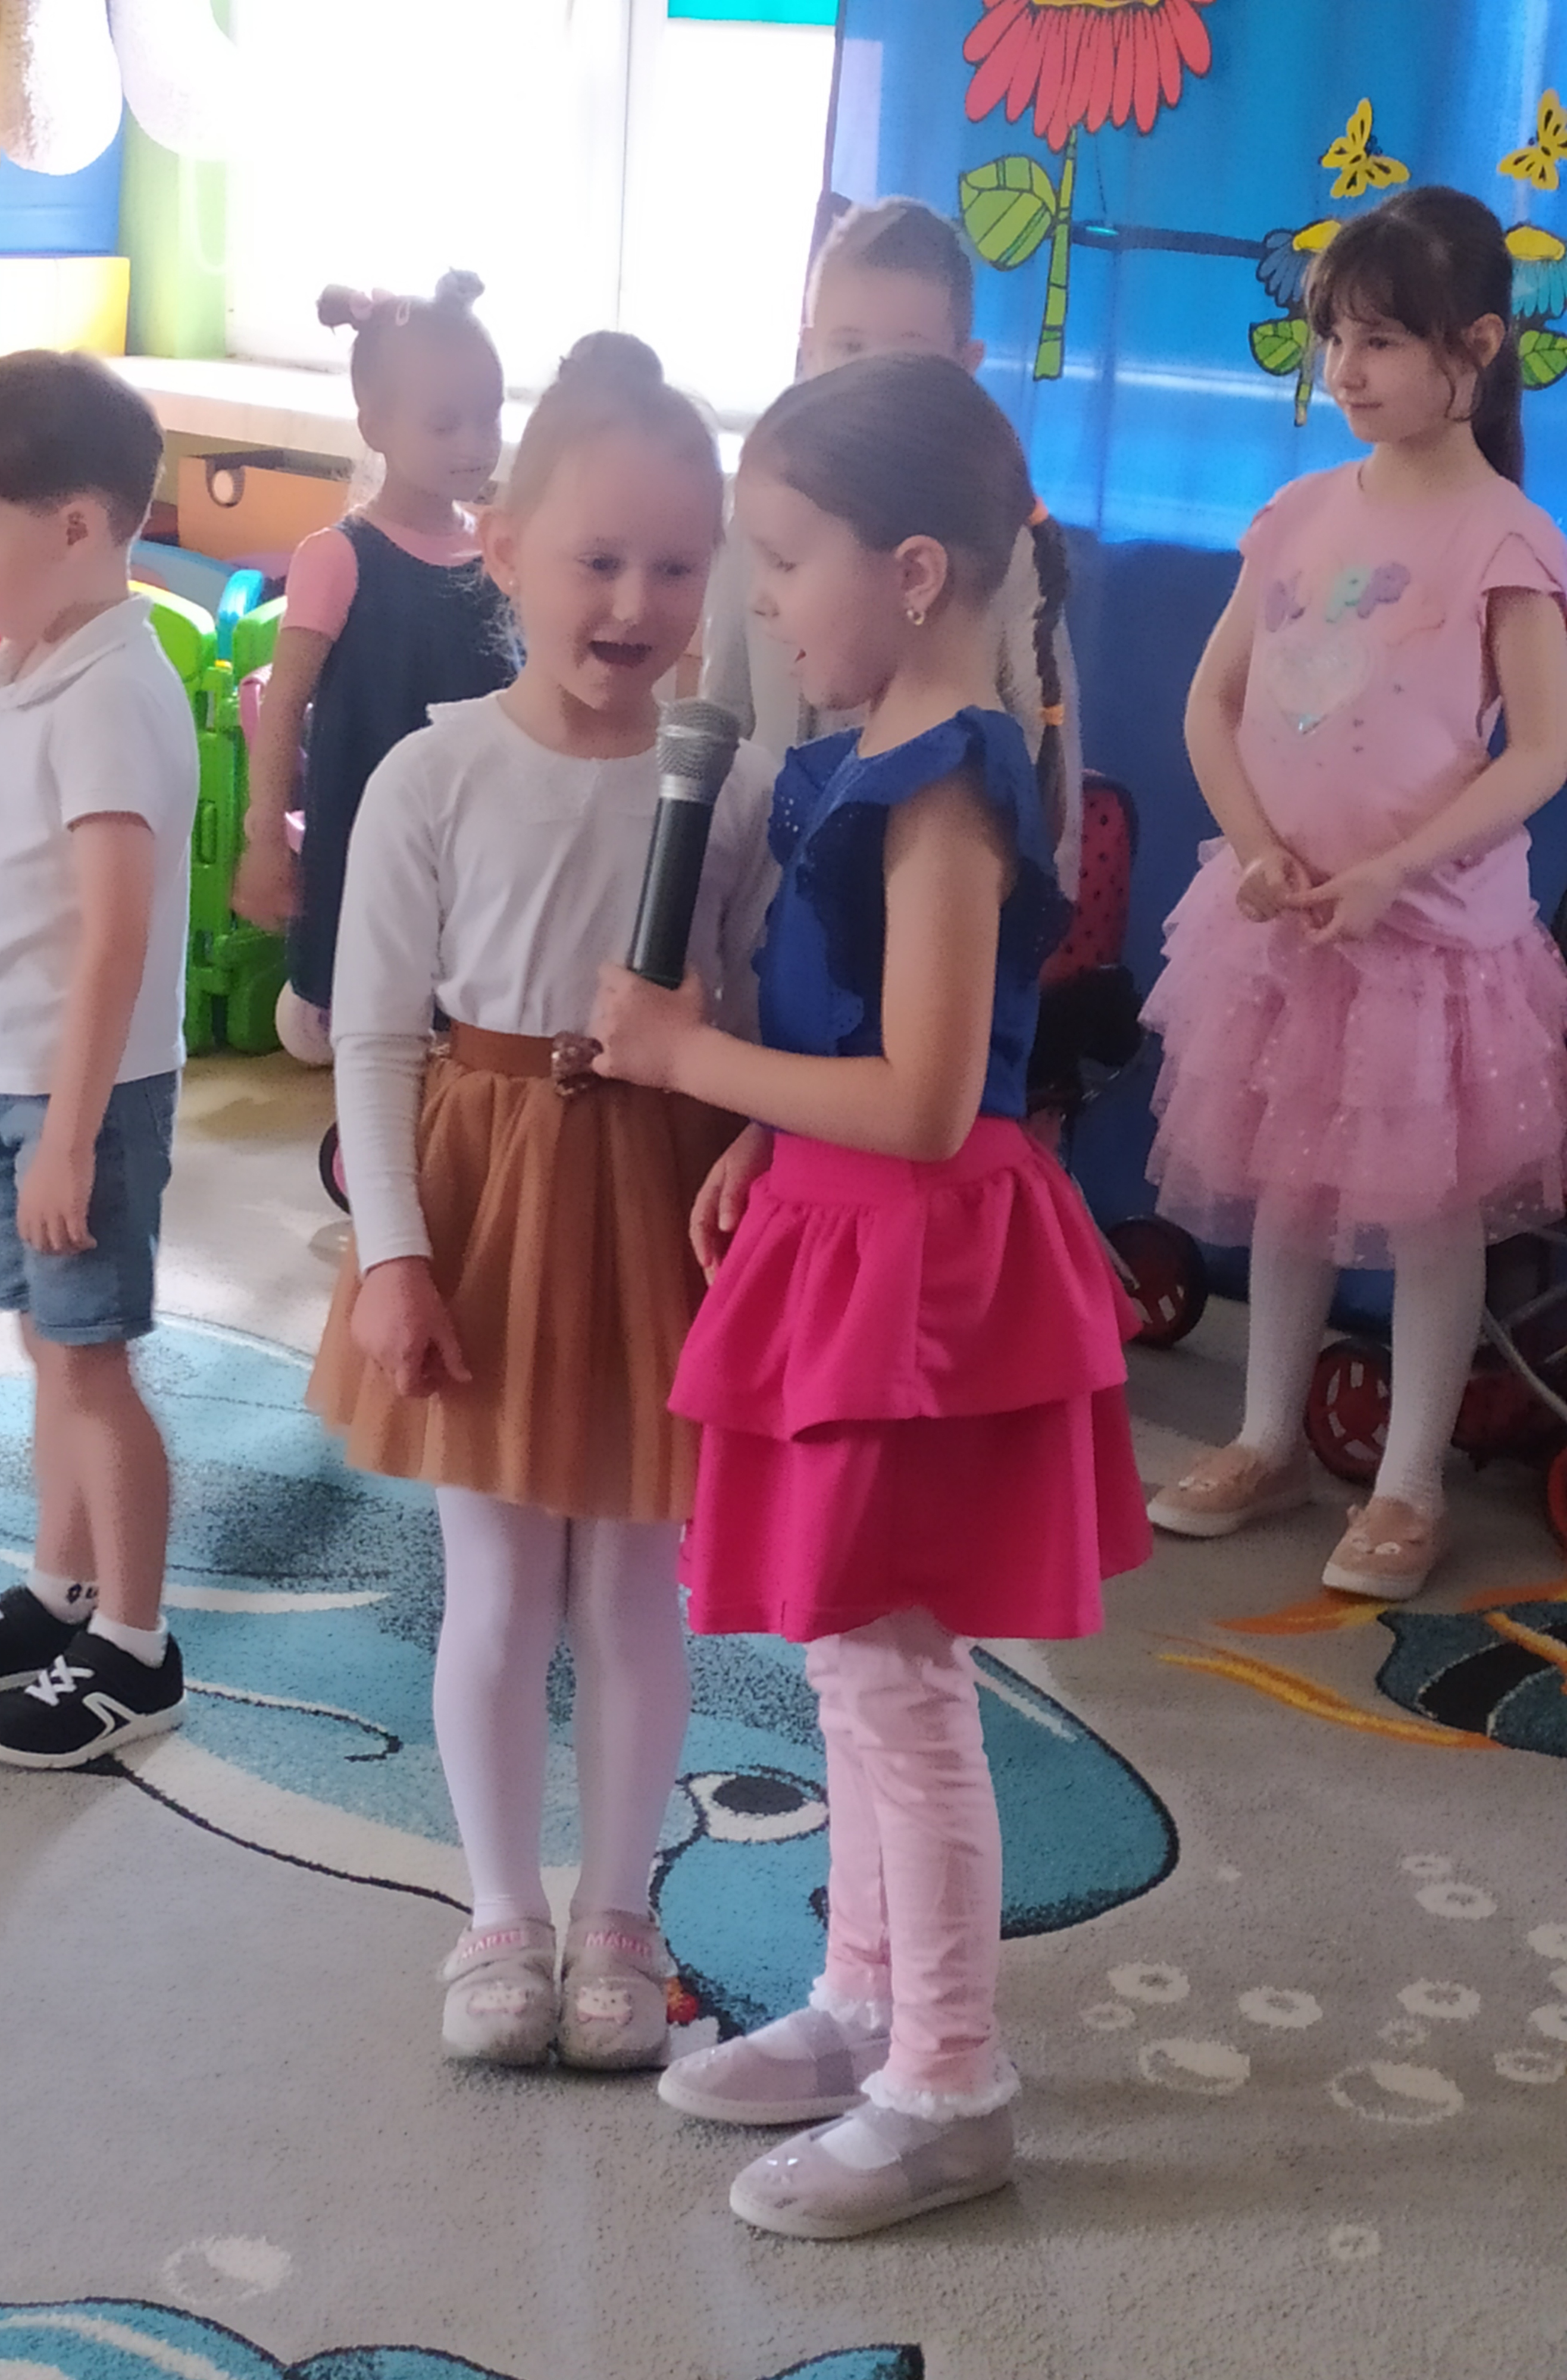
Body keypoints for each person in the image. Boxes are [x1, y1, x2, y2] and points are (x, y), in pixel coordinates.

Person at [589, 350, 1150, 2238]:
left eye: (782, 560)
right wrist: (764, 1134)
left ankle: (949, 2080)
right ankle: (863, 2000)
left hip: (913, 1271)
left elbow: (925, 1098)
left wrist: (687, 1062)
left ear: (913, 572)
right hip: (841, 1229)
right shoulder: (860, 761)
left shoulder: (952, 784)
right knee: (848, 1656)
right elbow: (858, 1050)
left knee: (900, 1679)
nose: (758, 604)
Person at [307, 333, 779, 2072]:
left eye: (676, 565)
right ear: (503, 547)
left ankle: (621, 1910)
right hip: (485, 1193)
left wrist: (747, 1129)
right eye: (598, 558)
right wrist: (393, 1254)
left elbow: (751, 1004)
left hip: (658, 1189)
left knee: (638, 1576)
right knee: (498, 1578)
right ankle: (500, 1908)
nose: (636, 601)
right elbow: (375, 1034)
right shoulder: (429, 774)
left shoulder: (729, 785)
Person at [1142, 186, 1567, 1601]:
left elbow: (1546, 751)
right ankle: (1266, 1436)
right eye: (1336, 338)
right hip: (1285, 923)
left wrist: (1393, 868)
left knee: (1432, 1211)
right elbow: (1210, 703)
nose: (1347, 368)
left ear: (1476, 348)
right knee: (1290, 1184)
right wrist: (1254, 844)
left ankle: (1406, 1485)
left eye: (1381, 340)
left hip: (1431, 940)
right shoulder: (1298, 512)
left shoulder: (1506, 536)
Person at [0, 350, 201, 1767]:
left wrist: (69, 1132)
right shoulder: (28, 668)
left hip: (83, 1097)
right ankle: (63, 1592)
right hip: (11, 1081)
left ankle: (134, 1641)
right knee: (51, 1348)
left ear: (75, 526)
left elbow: (115, 933)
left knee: (89, 1365)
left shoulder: (111, 688)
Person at [702, 196, 1084, 895]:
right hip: (768, 902)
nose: (868, 380)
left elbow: (1046, 740)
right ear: (808, 351)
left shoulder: (996, 536)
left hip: (930, 890)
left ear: (964, 365)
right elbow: (721, 716)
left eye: (905, 353)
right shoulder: (758, 516)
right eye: (848, 348)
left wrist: (1020, 894)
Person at [231, 273, 514, 1060]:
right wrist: (264, 837)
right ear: (376, 425)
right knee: (378, 1026)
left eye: (490, 415)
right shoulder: (340, 556)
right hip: (372, 844)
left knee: (468, 1026)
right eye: (445, 422)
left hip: (480, 842)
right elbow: (283, 705)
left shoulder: (500, 548)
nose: (475, 443)